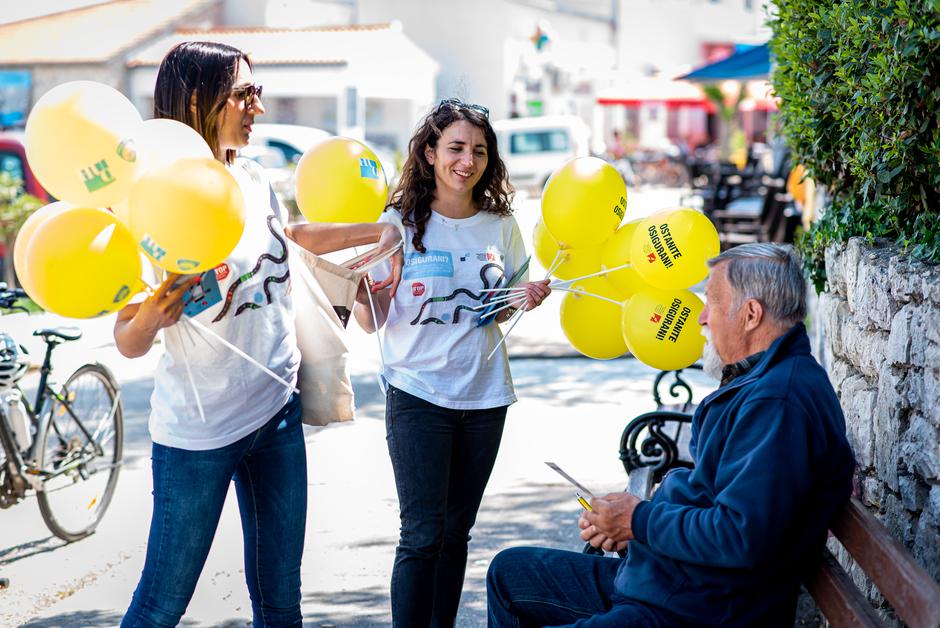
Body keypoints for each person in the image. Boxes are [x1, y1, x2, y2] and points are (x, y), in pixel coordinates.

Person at [115, 41, 402, 627]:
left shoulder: (250, 175)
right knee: (161, 604)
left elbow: (286, 239)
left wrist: (375, 231)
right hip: (199, 434)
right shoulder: (155, 199)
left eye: (258, 92)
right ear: (197, 100)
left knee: (280, 602)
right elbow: (127, 338)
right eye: (245, 94)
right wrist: (151, 317)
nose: (258, 108)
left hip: (276, 412)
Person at [486, 243, 856, 627]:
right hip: (670, 583)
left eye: (711, 303)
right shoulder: (765, 380)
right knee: (509, 573)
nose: (701, 318)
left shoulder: (778, 403)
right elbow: (716, 502)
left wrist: (639, 521)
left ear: (750, 314)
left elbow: (739, 535)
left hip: (695, 610)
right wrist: (634, 527)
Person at [352, 98, 551, 627]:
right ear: (430, 152)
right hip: (417, 394)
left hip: (485, 396)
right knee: (422, 534)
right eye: (456, 148)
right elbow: (371, 320)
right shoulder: (397, 224)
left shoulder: (501, 225)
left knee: (456, 534)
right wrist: (363, 289)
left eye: (479, 151)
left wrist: (524, 298)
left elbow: (500, 306)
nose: (468, 161)